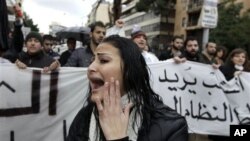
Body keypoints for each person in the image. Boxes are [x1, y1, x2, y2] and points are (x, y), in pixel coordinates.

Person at [67, 35, 188, 141]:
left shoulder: (171, 126)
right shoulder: (84, 117)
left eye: (103, 60)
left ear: (129, 71)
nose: (91, 68)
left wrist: (117, 138)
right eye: (92, 61)